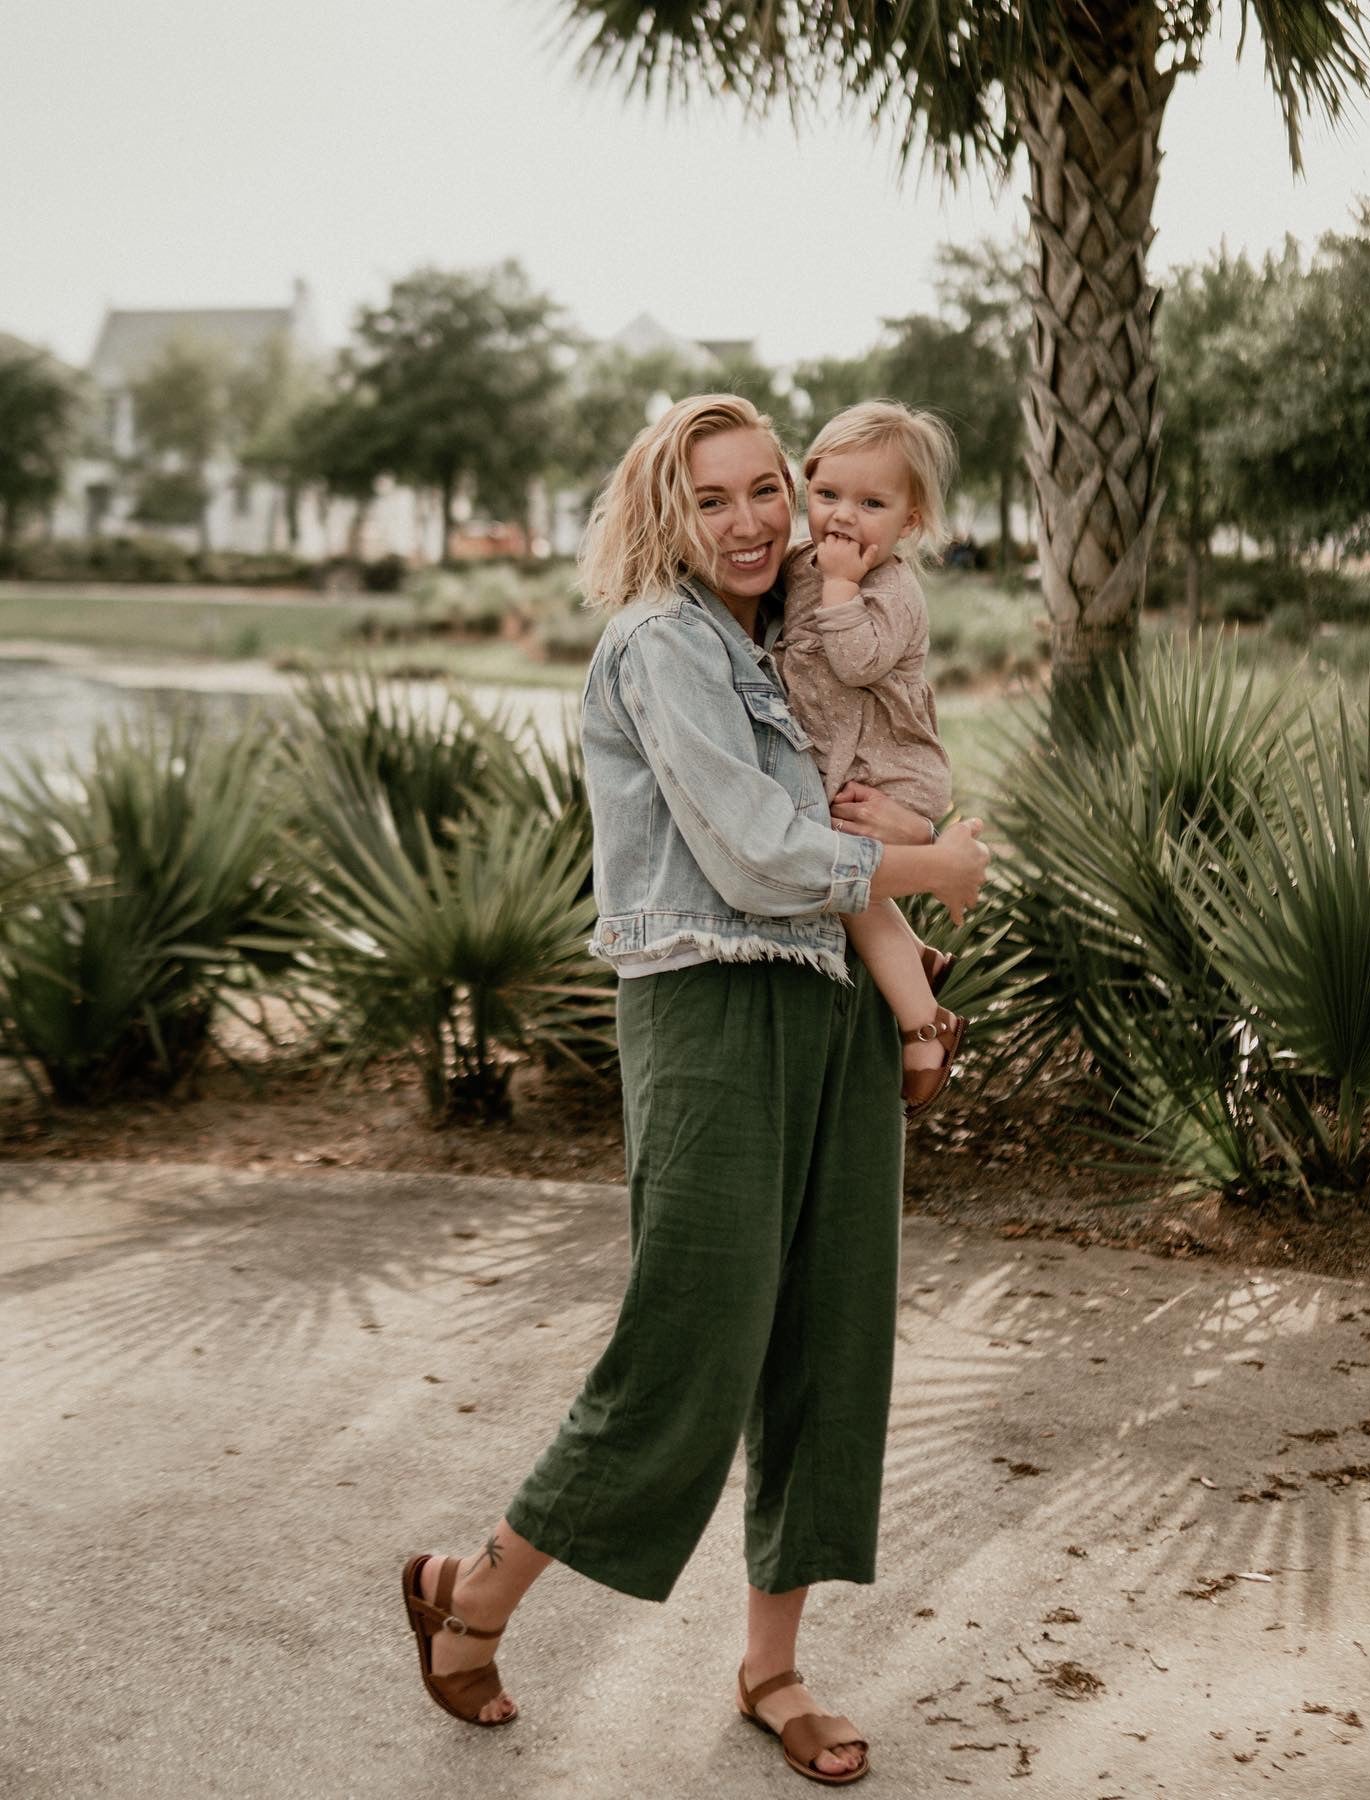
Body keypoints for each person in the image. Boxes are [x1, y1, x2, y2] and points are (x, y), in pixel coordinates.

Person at [400, 394, 990, 1787]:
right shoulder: (659, 644)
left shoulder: (785, 633)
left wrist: (904, 840)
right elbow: (751, 855)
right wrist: (935, 873)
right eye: (711, 499)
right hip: (714, 1006)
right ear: (666, 511)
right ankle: (472, 1588)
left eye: (764, 491)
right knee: (692, 1336)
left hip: (831, 1009)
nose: (749, 523)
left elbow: (874, 781)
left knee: (827, 1339)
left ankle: (772, 1667)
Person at [777, 401, 964, 1117]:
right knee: (854, 890)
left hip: (890, 767)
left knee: (845, 886)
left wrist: (842, 588)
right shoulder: (803, 565)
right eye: (827, 495)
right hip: (845, 760)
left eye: (871, 503)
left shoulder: (892, 591)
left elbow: (854, 663)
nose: (844, 518)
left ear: (908, 522)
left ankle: (926, 1027)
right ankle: (916, 959)